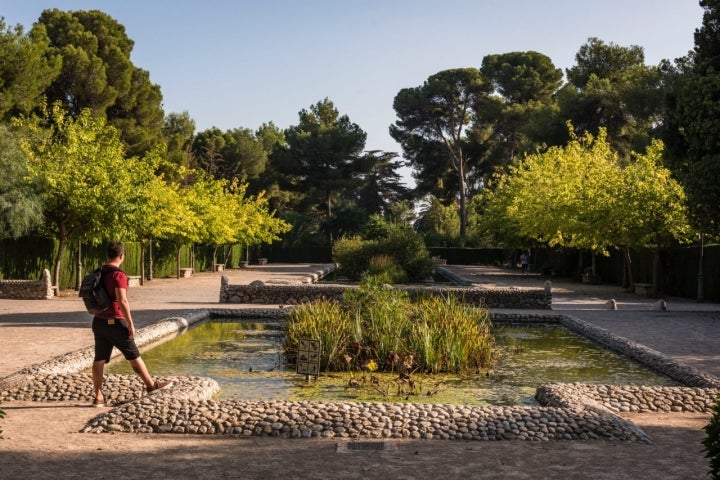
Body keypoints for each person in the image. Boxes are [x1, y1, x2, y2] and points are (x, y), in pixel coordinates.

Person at [91, 241, 171, 407]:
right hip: (116, 322)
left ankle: (98, 396)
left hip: (98, 321)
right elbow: (122, 300)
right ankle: (151, 386)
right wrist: (130, 323)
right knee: (134, 355)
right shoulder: (118, 275)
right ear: (121, 256)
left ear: (108, 255)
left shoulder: (99, 271)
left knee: (99, 359)